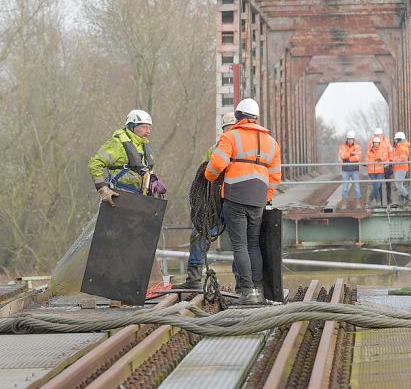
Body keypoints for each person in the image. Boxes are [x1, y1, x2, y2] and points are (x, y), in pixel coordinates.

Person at [204, 98, 281, 306]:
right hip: (258, 198)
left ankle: (247, 291)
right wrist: (265, 196)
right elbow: (275, 175)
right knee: (253, 244)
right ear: (256, 117)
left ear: (238, 116)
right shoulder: (271, 142)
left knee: (240, 245)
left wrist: (209, 177)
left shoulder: (230, 137)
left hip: (236, 195)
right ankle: (258, 291)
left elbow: (217, 164)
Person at [177, 112, 238, 290]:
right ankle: (194, 278)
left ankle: (242, 283)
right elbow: (203, 175)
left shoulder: (237, 148)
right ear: (224, 130)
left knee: (239, 242)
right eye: (228, 129)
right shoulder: (215, 149)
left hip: (234, 201)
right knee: (199, 232)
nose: (230, 132)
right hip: (216, 202)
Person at [88, 109, 164, 206]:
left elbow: (141, 169)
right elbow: (94, 164)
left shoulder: (143, 145)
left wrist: (153, 180)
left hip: (139, 201)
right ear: (132, 127)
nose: (148, 131)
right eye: (145, 127)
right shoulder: (117, 144)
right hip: (119, 199)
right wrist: (103, 189)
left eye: (149, 128)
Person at [338, 130, 362, 207]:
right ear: (347, 139)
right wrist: (351, 154)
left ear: (354, 139)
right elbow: (342, 156)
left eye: (351, 139)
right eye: (349, 139)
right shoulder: (342, 147)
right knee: (344, 187)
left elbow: (358, 157)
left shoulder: (357, 147)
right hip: (345, 170)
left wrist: (348, 159)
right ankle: (344, 203)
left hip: (354, 170)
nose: (350, 140)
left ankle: (358, 203)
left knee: (356, 187)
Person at [366, 136, 390, 207]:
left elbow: (385, 156)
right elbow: (367, 159)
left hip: (380, 171)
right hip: (371, 172)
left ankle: (370, 198)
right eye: (375, 143)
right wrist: (367, 163)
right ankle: (378, 202)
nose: (376, 144)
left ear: (379, 143)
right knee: (375, 186)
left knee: (377, 186)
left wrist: (380, 159)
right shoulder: (369, 151)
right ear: (373, 143)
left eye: (377, 143)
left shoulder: (383, 150)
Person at [392, 131, 411, 203]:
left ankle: (407, 197)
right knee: (399, 184)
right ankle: (401, 200)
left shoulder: (402, 148)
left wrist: (394, 161)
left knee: (398, 185)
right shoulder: (399, 147)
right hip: (398, 168)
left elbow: (402, 159)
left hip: (401, 168)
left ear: (399, 139)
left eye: (396, 139)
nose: (395, 141)